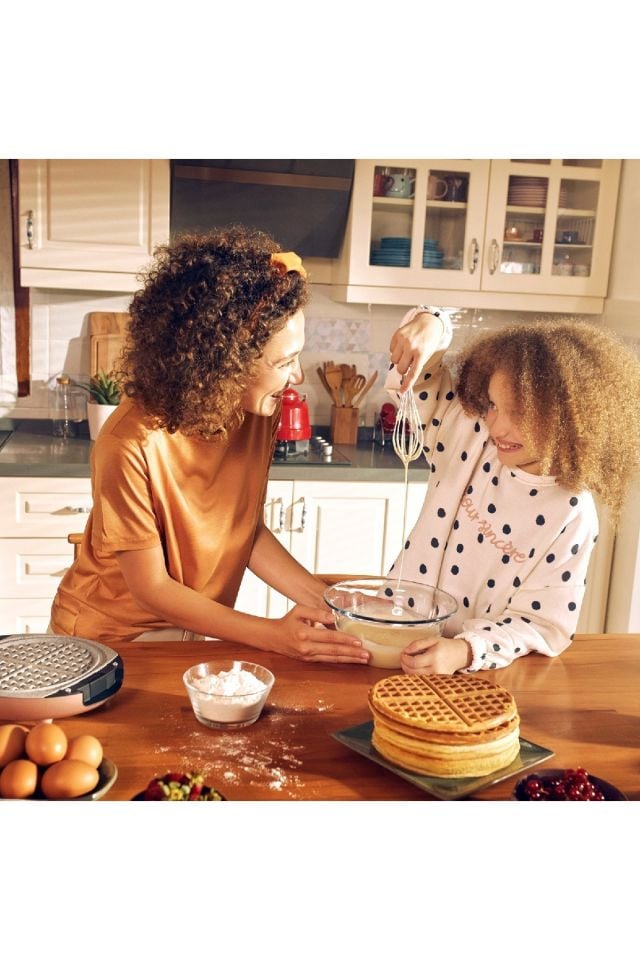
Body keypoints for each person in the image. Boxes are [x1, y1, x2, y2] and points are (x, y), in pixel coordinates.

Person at [50, 226, 369, 664]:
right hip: (110, 641)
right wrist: (274, 635)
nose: (296, 377)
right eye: (283, 362)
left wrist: (324, 599)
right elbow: (152, 588)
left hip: (193, 630)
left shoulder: (256, 409)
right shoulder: (129, 444)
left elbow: (243, 529)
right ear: (224, 365)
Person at [384, 306, 640, 676]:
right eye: (491, 405)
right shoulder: (468, 437)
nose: (497, 427)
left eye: (519, 413)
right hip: (391, 637)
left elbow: (543, 625)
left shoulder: (571, 514)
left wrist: (464, 651)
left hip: (475, 680)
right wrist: (431, 323)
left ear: (569, 417)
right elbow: (422, 379)